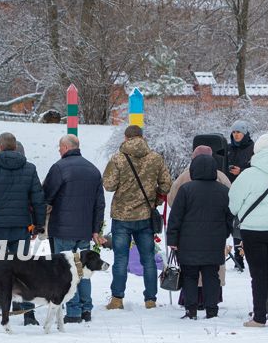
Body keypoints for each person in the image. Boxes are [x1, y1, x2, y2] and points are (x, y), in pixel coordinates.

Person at [0, 131, 46, 324]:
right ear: (15, 147)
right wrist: (38, 226)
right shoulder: (29, 169)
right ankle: (27, 313)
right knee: (25, 270)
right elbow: (38, 200)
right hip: (21, 228)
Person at [102, 125, 170, 311]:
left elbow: (108, 185)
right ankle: (150, 299)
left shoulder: (118, 159)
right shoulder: (155, 158)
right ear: (142, 137)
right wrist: (154, 199)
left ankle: (117, 299)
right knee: (148, 259)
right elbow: (166, 184)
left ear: (126, 138)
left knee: (121, 258)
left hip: (122, 217)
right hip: (145, 216)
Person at [228, 132, 268, 327]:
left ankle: (259, 316)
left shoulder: (248, 175)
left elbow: (233, 204)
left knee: (258, 273)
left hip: (253, 230)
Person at [42, 134, 105, 323]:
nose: (59, 151)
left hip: (62, 229)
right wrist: (95, 230)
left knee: (66, 271)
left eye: (60, 147)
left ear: (66, 147)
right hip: (84, 230)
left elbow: (47, 196)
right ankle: (86, 309)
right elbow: (99, 204)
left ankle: (74, 311)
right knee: (84, 268)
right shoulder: (93, 170)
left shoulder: (59, 168)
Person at [167, 153, 233, 319]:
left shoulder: (186, 190)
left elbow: (175, 217)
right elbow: (229, 218)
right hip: (214, 241)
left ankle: (191, 310)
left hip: (188, 242)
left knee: (190, 276)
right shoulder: (223, 191)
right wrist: (224, 234)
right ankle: (212, 310)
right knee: (212, 276)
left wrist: (173, 240)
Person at [227, 121, 253, 272]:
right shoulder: (229, 148)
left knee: (246, 224)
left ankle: (247, 253)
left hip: (248, 190)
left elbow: (255, 168)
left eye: (239, 132)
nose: (236, 135)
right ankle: (239, 256)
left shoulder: (252, 148)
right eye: (234, 132)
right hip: (231, 188)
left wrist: (241, 171)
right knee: (235, 224)